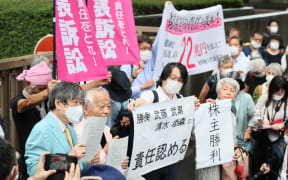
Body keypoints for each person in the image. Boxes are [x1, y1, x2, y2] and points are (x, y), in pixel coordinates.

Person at [128, 62, 200, 180]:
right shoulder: (152, 95)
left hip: (171, 156)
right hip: (151, 158)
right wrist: (136, 103)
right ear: (163, 78)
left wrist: (195, 108)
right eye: (173, 78)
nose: (176, 82)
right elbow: (143, 101)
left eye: (180, 80)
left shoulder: (181, 99)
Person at [25, 82, 98, 177]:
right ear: (58, 103)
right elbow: (34, 169)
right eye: (75, 102)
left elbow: (76, 163)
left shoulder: (70, 130)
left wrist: (87, 161)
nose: (79, 108)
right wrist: (68, 158)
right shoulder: (42, 130)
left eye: (80, 103)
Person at [10, 62, 56, 180]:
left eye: (46, 89)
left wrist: (96, 82)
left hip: (51, 155)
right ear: (28, 84)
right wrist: (47, 92)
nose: (44, 92)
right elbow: (25, 104)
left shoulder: (48, 101)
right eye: (40, 89)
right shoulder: (18, 101)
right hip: (30, 159)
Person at [74, 87, 129, 169]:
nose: (106, 111)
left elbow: (112, 161)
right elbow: (84, 167)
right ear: (86, 109)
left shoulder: (107, 130)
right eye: (101, 107)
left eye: (109, 107)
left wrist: (121, 162)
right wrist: (106, 151)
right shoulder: (78, 133)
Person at [196, 78, 239, 180]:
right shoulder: (208, 107)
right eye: (225, 89)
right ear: (218, 92)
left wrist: (236, 150)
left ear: (235, 96)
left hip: (226, 159)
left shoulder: (231, 114)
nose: (228, 92)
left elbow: (233, 138)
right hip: (209, 157)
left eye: (232, 90)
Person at [252, 76, 288, 180]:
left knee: (274, 168)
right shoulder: (264, 97)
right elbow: (255, 114)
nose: (278, 95)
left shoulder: (286, 100)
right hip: (263, 138)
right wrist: (261, 120)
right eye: (276, 92)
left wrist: (282, 125)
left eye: (281, 92)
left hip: (279, 139)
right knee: (259, 167)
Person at [121, 35, 155, 99]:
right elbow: (123, 92)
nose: (147, 51)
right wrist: (142, 86)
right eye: (144, 48)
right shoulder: (128, 66)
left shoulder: (152, 65)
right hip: (135, 104)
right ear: (136, 49)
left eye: (149, 49)